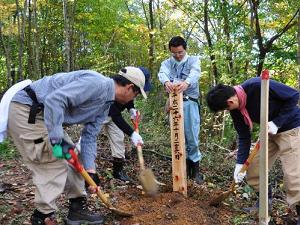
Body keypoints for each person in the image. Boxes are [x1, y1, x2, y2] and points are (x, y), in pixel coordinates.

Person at [6, 66, 148, 225]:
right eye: (135, 95)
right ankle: (42, 216)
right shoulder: (96, 84)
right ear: (129, 88)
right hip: (28, 110)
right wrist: (56, 139)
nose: (132, 100)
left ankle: (77, 208)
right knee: (54, 160)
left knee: (73, 157)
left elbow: (89, 136)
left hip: (48, 116)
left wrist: (91, 170)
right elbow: (55, 100)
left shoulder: (106, 104)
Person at [206, 77, 300, 223]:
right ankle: (264, 204)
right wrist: (239, 165)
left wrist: (277, 122)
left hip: (291, 129)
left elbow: (294, 95)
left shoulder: (257, 85)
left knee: (293, 176)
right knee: (254, 169)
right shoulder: (236, 109)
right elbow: (244, 137)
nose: (228, 110)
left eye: (226, 108)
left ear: (230, 102)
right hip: (268, 133)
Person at [158, 36, 203, 184]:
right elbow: (162, 73)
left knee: (192, 137)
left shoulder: (193, 60)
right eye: (174, 53)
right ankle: (179, 169)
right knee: (177, 136)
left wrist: (186, 83)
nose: (177, 55)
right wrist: (166, 82)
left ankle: (195, 170)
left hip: (190, 103)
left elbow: (195, 73)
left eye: (180, 52)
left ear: (185, 49)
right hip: (173, 103)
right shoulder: (167, 63)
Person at [102, 67, 151, 182]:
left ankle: (118, 171)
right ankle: (81, 171)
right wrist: (132, 134)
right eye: (136, 92)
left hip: (114, 115)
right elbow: (115, 115)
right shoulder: (111, 90)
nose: (135, 95)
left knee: (118, 138)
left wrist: (131, 109)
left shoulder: (127, 88)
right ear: (129, 86)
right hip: (101, 114)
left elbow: (129, 100)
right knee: (87, 140)